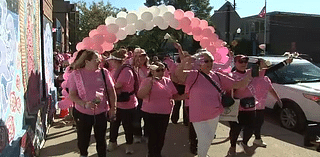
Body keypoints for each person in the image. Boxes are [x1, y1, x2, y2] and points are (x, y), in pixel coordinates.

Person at [175, 50, 251, 157]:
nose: (209, 63)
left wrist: (250, 75)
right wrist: (184, 63)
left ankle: (203, 154)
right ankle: (202, 155)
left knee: (209, 138)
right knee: (204, 139)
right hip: (198, 115)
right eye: (206, 61)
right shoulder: (193, 75)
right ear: (200, 62)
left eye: (211, 60)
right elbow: (178, 76)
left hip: (214, 114)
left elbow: (237, 84)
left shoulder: (217, 76)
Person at [226, 55, 282, 157]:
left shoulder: (251, 73)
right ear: (235, 63)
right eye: (240, 61)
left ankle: (244, 142)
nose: (243, 64)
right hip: (237, 107)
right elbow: (231, 89)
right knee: (235, 129)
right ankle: (232, 147)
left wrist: (285, 62)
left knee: (251, 128)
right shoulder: (231, 75)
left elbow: (269, 69)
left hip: (250, 106)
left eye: (245, 61)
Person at [68, 49, 116, 157]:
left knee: (101, 140)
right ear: (87, 61)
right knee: (83, 140)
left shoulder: (104, 72)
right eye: (96, 59)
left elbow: (111, 91)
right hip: (82, 113)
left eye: (99, 59)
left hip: (101, 112)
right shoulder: (76, 74)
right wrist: (84, 104)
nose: (99, 61)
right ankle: (83, 154)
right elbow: (72, 95)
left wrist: (113, 108)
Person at [137, 61, 187, 157]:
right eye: (158, 70)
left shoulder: (167, 81)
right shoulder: (147, 81)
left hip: (164, 113)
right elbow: (140, 95)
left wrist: (185, 96)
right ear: (152, 71)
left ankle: (158, 153)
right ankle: (152, 154)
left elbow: (174, 96)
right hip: (150, 113)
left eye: (162, 70)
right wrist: (150, 84)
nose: (160, 72)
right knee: (152, 136)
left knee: (161, 136)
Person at [106, 49, 138, 154]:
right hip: (117, 103)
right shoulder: (115, 70)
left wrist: (107, 90)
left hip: (128, 104)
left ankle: (129, 145)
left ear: (116, 61)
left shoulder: (126, 71)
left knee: (127, 125)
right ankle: (112, 142)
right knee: (114, 124)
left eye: (111, 60)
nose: (110, 62)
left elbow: (117, 86)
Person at [131, 48, 150, 143]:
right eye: (138, 56)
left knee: (147, 117)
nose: (141, 58)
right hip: (136, 96)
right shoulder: (132, 68)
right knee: (136, 117)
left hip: (147, 96)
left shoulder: (149, 68)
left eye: (143, 56)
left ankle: (147, 135)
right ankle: (137, 135)